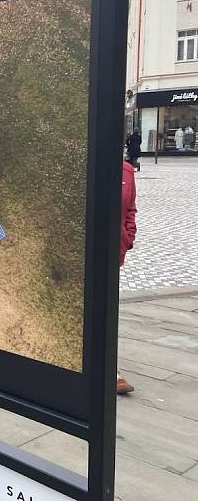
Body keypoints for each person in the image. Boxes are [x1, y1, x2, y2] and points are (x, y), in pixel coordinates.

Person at [117, 160, 138, 395]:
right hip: (87, 251)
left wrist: (127, 238)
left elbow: (130, 208)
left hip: (114, 251)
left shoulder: (126, 170)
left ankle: (109, 369)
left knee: (108, 312)